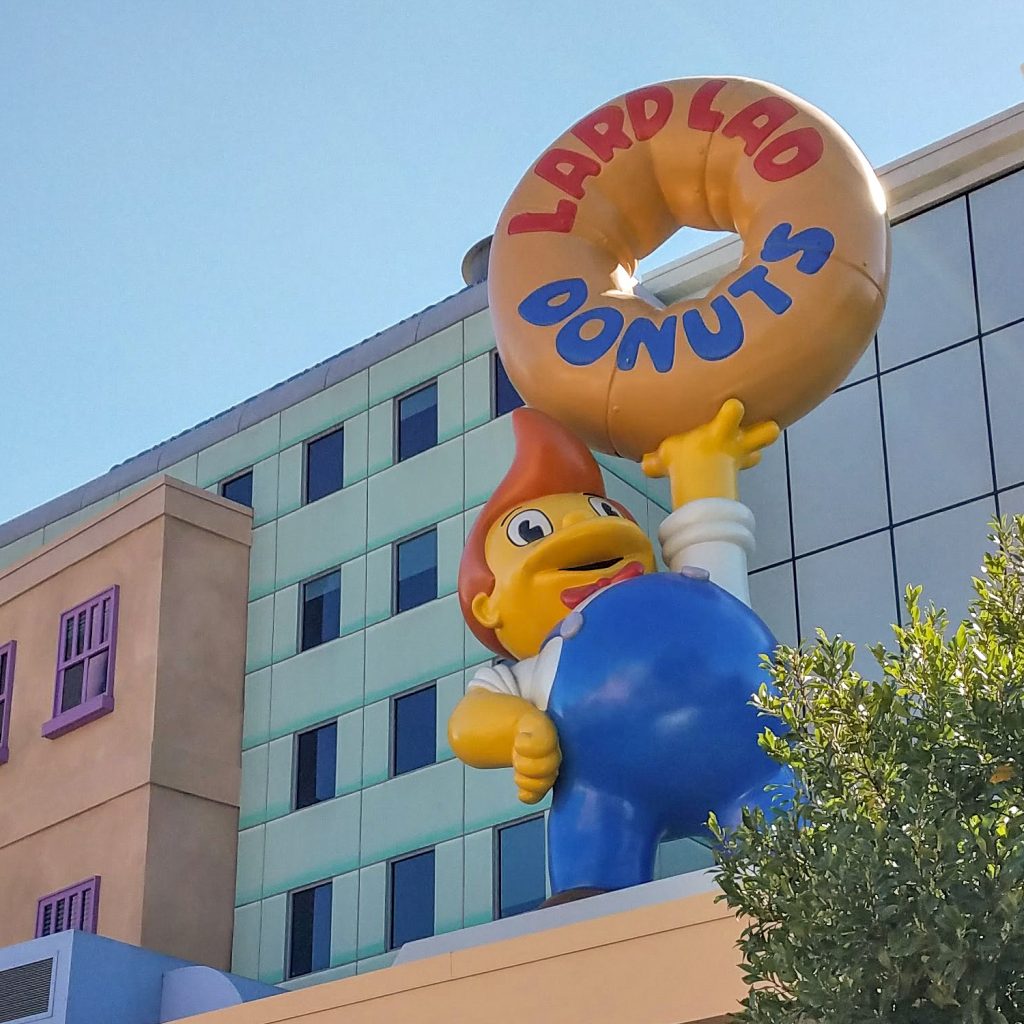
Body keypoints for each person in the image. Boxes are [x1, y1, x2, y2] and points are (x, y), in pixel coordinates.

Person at [450, 400, 783, 901]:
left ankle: (796, 885)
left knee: (794, 880)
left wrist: (701, 463)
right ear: (487, 605)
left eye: (603, 512)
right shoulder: (523, 671)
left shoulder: (687, 595)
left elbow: (711, 533)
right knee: (593, 903)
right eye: (533, 532)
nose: (592, 530)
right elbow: (468, 725)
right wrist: (519, 730)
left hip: (756, 764)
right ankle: (594, 903)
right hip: (605, 795)